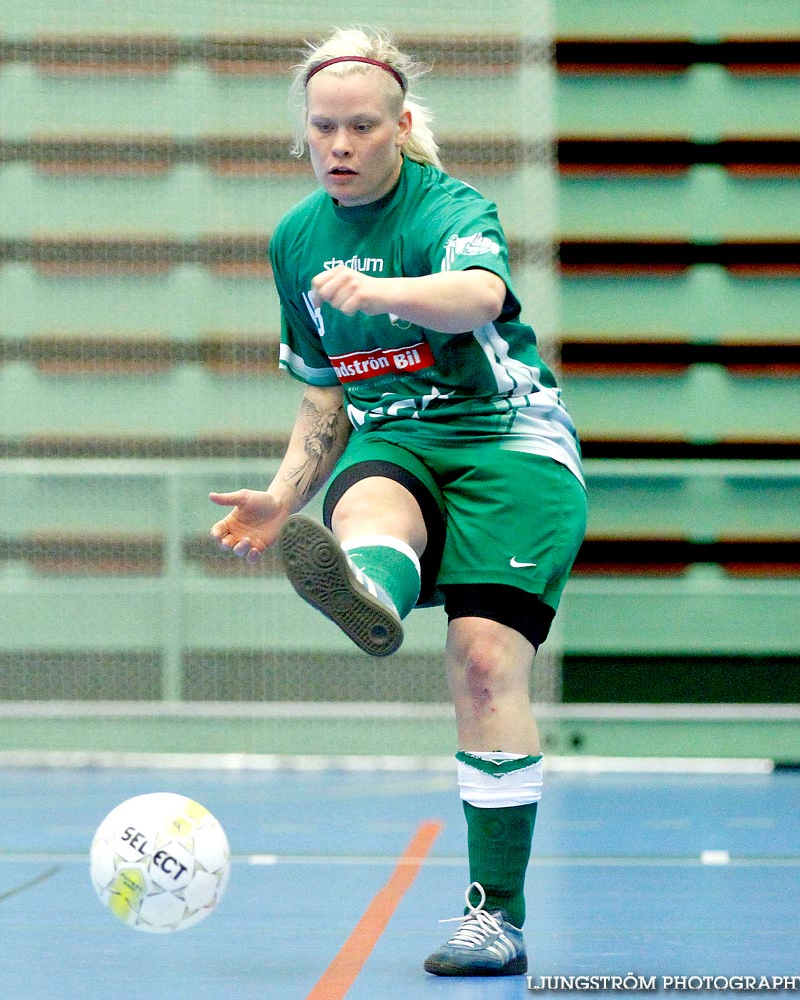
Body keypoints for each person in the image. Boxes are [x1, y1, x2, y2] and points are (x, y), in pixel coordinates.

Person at [209, 26, 587, 977]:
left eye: (360, 127)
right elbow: (324, 395)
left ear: (400, 127)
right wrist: (278, 496)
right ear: (303, 131)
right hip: (396, 438)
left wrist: (385, 296)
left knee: (483, 664)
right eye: (322, 127)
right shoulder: (295, 241)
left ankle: (492, 916)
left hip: (508, 441)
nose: (338, 145)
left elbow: (476, 295)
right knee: (366, 504)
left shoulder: (449, 206)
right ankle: (370, 593)